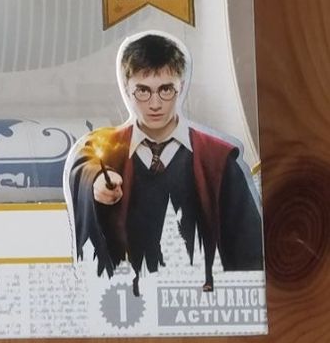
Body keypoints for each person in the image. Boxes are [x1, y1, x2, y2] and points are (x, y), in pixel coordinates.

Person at [67, 31, 263, 295]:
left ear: (180, 86)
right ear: (126, 88)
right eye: (143, 91)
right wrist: (96, 181)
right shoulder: (108, 148)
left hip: (199, 299)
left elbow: (249, 250)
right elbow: (86, 162)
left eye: (166, 90)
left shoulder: (217, 158)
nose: (155, 104)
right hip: (125, 298)